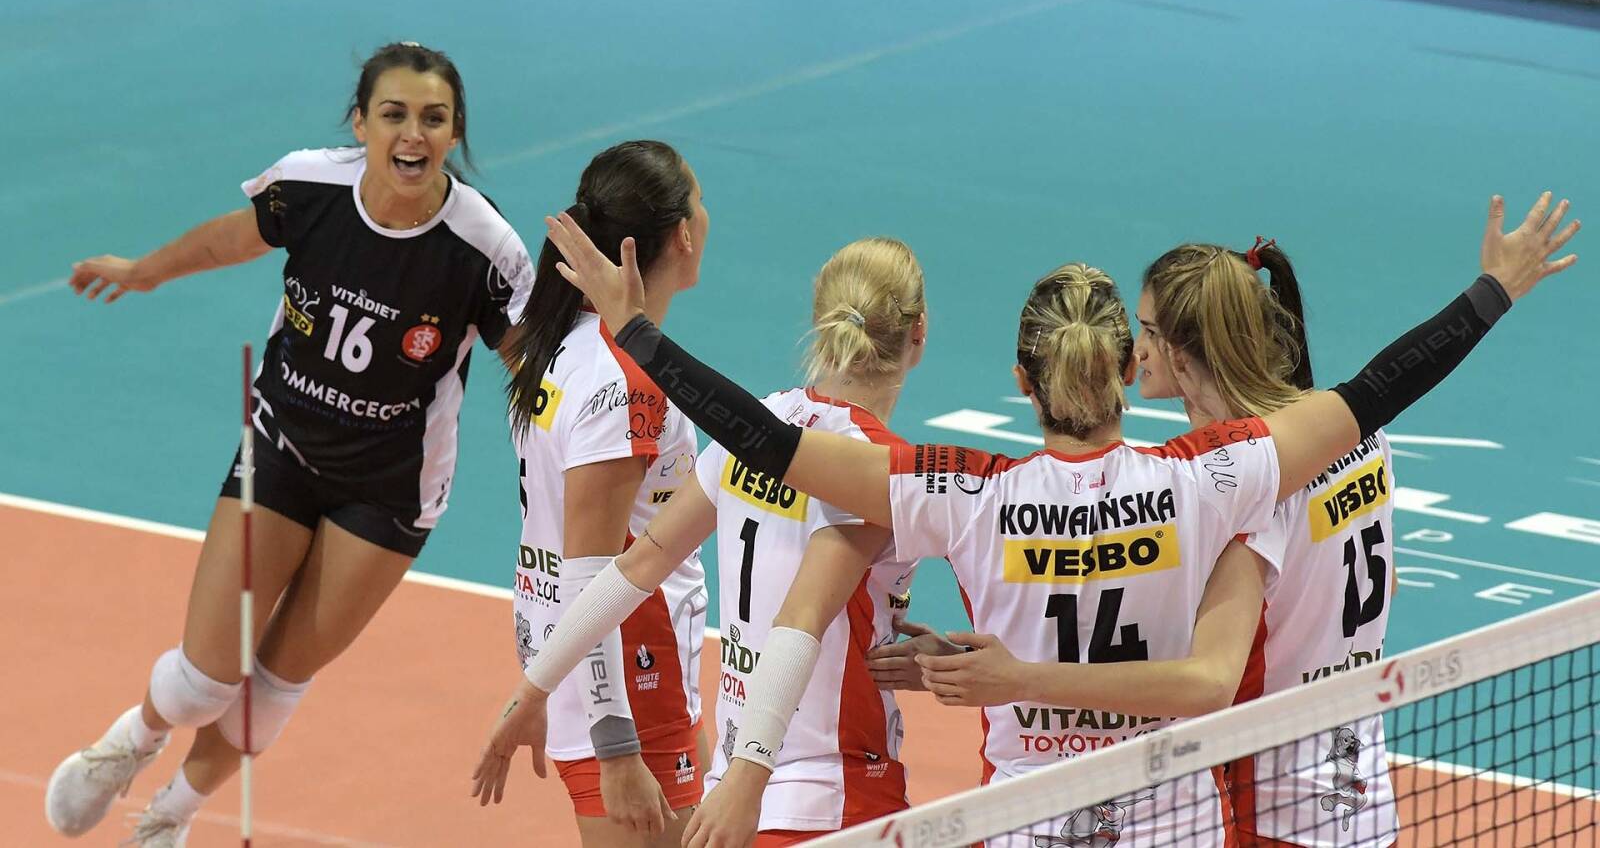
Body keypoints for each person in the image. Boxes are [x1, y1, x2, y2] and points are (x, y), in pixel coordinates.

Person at [533, 191, 1577, 845]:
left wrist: (639, 335)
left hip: (1025, 823)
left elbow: (766, 441)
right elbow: (1379, 389)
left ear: (1020, 382)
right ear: (1125, 367)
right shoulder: (1211, 477)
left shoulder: (966, 492)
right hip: (1177, 821)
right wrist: (1492, 290)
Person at [47, 42, 534, 847]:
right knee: (204, 681)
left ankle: (169, 815)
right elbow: (229, 241)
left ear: (455, 135)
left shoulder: (485, 249)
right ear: (361, 123)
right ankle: (133, 738)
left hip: (389, 491)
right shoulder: (311, 186)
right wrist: (144, 271)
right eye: (394, 114)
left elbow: (534, 370)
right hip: (283, 447)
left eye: (433, 118)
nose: (413, 133)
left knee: (276, 681)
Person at [477, 237, 942, 847]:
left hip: (733, 785)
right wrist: (750, 780)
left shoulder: (759, 424)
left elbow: (633, 568)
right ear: (918, 332)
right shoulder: (882, 468)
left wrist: (533, 688)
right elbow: (799, 623)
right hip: (832, 791)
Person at [1134, 239, 1402, 846]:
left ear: (1184, 353)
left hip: (1270, 807)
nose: (1136, 349)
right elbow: (1384, 584)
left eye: (1147, 331)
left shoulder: (1244, 487)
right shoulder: (1362, 438)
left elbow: (1210, 678)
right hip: (1362, 803)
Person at [487, 140, 712, 848]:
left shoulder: (563, 346)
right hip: (631, 685)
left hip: (594, 672)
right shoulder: (623, 382)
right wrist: (616, 748)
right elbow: (593, 573)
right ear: (682, 234)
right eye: (700, 201)